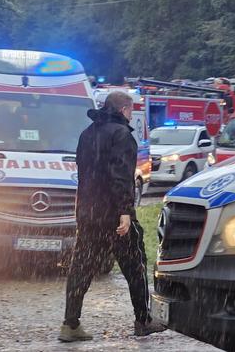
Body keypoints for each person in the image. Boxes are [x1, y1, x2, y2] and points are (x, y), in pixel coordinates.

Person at [59, 91, 166, 342]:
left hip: (89, 214)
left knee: (81, 268)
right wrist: (125, 212)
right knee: (134, 264)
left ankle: (70, 324)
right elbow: (121, 177)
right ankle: (143, 320)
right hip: (114, 216)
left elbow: (84, 176)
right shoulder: (122, 135)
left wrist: (82, 212)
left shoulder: (87, 134)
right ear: (124, 110)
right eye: (130, 111)